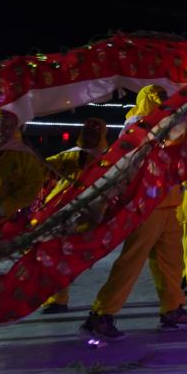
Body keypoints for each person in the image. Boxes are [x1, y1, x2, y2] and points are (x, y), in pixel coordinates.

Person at [80, 86, 187, 341]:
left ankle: (173, 310)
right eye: (156, 98)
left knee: (171, 263)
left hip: (168, 202)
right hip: (146, 204)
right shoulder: (138, 128)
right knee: (132, 261)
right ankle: (101, 315)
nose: (162, 101)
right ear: (147, 101)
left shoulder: (162, 125)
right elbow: (169, 135)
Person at [41, 118, 108, 313]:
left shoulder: (107, 159)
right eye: (87, 131)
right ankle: (56, 299)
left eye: (95, 132)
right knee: (56, 255)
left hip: (89, 213)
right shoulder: (69, 156)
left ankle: (58, 298)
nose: (90, 135)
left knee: (69, 256)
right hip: (59, 211)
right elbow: (43, 169)